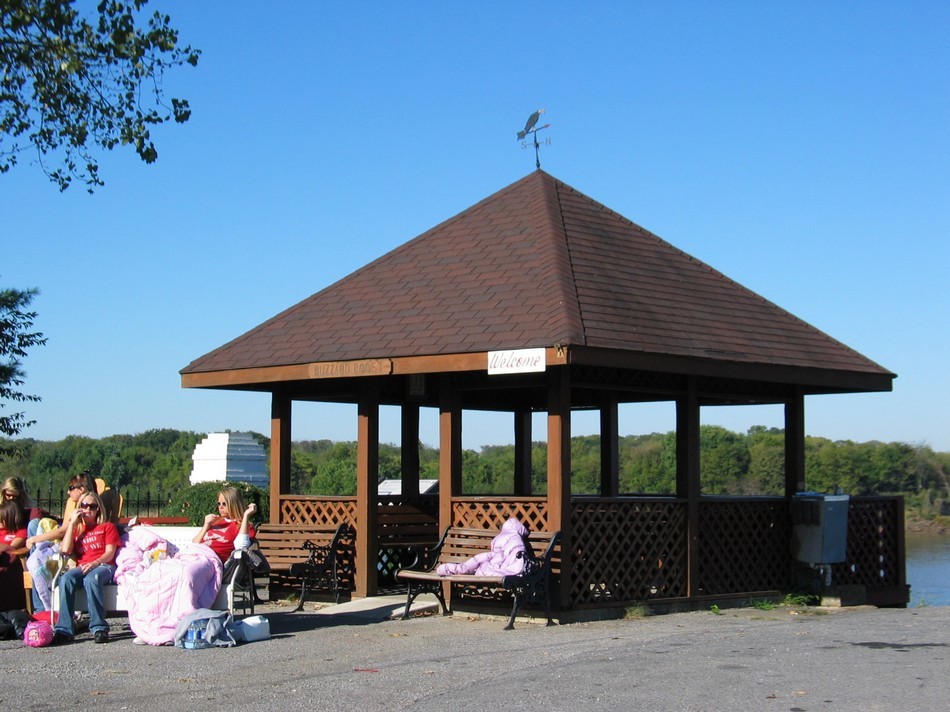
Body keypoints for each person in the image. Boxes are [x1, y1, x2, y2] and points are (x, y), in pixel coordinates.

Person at [52, 491, 122, 645]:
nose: (88, 509)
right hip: (83, 566)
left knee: (92, 578)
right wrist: (71, 524)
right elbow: (65, 550)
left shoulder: (107, 527)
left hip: (104, 566)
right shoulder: (78, 530)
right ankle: (64, 629)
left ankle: (99, 628)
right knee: (66, 579)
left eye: (92, 506)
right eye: (84, 505)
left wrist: (95, 563)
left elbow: (110, 553)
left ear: (98, 509)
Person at [25, 472, 91, 611]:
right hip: (64, 542)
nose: (68, 492)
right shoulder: (76, 506)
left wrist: (33, 539)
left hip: (70, 550)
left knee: (34, 558)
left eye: (71, 488)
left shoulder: (84, 508)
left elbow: (62, 531)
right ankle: (40, 607)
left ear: (81, 490)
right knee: (35, 525)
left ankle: (41, 609)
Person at [436, 517, 529, 576]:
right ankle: (447, 568)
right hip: (505, 565)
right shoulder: (516, 537)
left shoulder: (500, 538)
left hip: (494, 563)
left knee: (472, 565)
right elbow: (518, 549)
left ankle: (446, 568)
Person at [193, 487, 257, 561]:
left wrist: (246, 516)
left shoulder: (244, 526)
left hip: (212, 560)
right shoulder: (215, 521)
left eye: (224, 504)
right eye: (219, 503)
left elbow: (241, 546)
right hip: (196, 555)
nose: (220, 507)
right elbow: (195, 543)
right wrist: (205, 526)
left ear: (234, 504)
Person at [0, 500, 28, 610]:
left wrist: (4, 547)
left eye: (2, 517)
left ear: (10, 517)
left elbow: (12, 547)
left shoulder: (20, 532)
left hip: (8, 562)